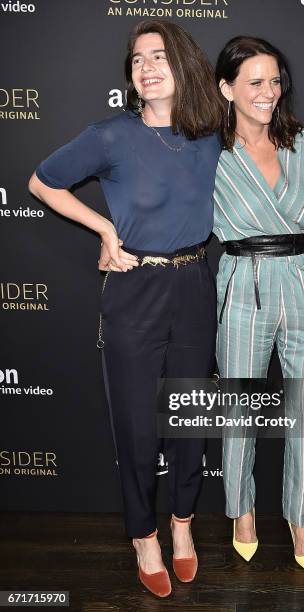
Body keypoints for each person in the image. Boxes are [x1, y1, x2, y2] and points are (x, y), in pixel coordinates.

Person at [28, 20, 223, 598]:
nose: (147, 68)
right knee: (137, 425)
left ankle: (183, 528)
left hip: (194, 286)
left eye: (159, 56)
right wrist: (104, 228)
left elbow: (268, 141)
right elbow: (42, 183)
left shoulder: (213, 133)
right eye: (137, 60)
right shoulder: (110, 135)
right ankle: (144, 536)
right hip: (134, 289)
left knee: (190, 417)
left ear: (184, 65)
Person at [213, 36, 304, 575]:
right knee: (240, 409)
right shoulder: (206, 152)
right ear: (226, 88)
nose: (269, 92)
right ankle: (241, 512)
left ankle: (300, 518)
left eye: (275, 80)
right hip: (243, 283)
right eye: (254, 82)